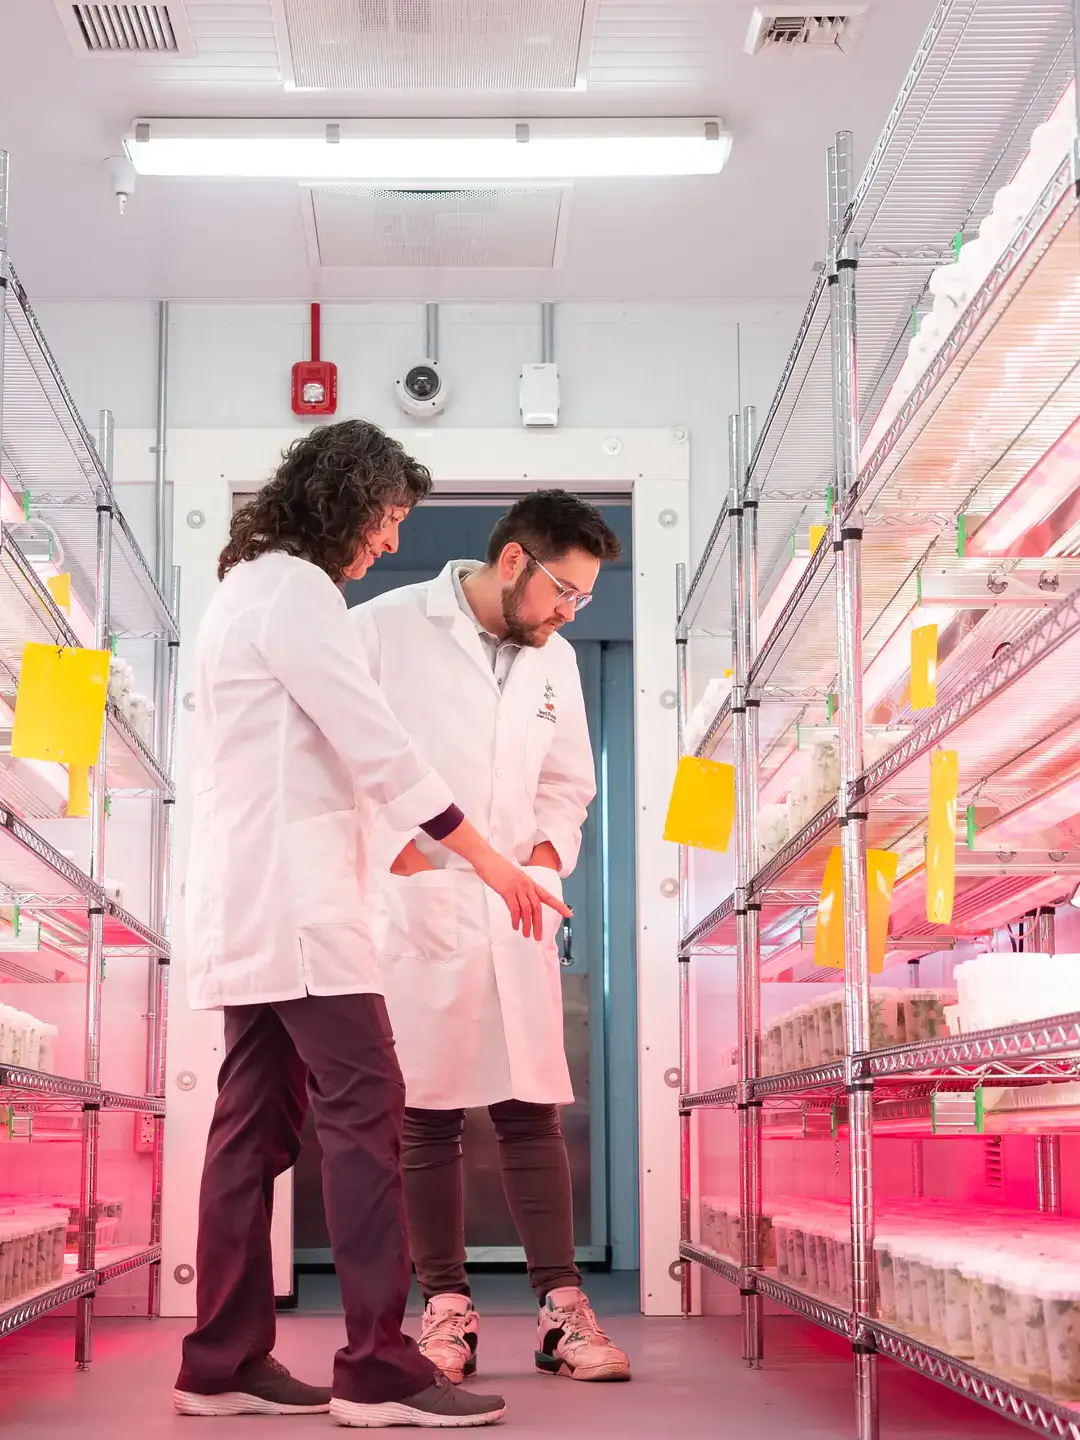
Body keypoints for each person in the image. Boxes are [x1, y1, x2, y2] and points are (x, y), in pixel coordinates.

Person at [172, 421, 569, 1430]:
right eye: (390, 518)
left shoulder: (246, 589)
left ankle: (220, 1359)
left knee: (251, 1127)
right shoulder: (300, 593)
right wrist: (487, 861)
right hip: (298, 911)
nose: (391, 542)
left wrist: (412, 844)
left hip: (255, 902)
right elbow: (379, 744)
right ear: (346, 499)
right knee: (369, 1106)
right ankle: (379, 1366)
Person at [350, 490, 631, 1387]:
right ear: (513, 562)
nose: (570, 612)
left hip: (517, 904)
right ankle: (445, 1309)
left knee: (529, 1105)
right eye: (563, 591)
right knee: (427, 1113)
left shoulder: (551, 657)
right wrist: (402, 860)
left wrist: (547, 861)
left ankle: (562, 1308)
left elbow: (568, 782)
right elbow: (339, 753)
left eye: (583, 599)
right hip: (420, 899)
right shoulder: (384, 627)